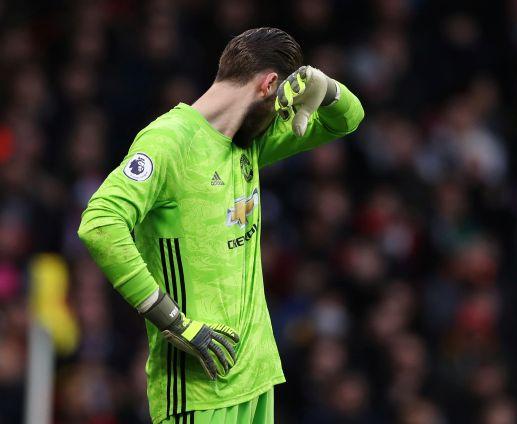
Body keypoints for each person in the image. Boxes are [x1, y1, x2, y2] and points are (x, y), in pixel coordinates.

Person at [77, 27, 364, 423]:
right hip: (199, 388)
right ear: (268, 85)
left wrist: (324, 86)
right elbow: (99, 223)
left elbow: (348, 120)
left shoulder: (247, 142)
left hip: (257, 378)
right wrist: (173, 322)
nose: (281, 119)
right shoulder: (169, 142)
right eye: (281, 105)